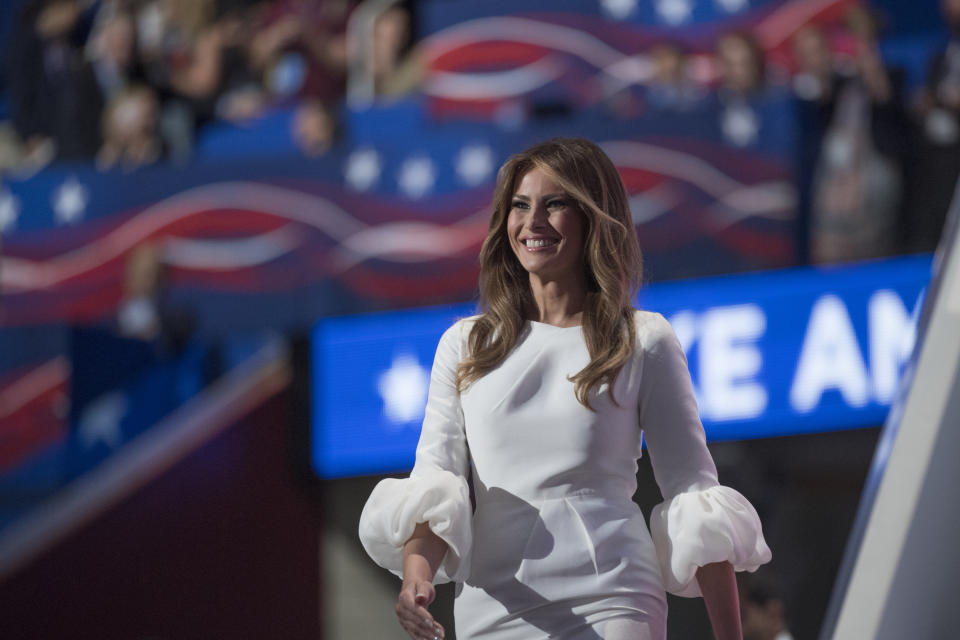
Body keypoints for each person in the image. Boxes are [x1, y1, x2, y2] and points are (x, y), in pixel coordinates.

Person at [358, 138, 771, 639]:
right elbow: (436, 479)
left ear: (593, 217)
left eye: (555, 204)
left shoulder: (643, 339)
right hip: (495, 607)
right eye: (519, 205)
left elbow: (693, 491)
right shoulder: (464, 345)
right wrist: (416, 579)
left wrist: (731, 635)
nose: (532, 223)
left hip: (615, 597)